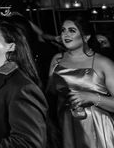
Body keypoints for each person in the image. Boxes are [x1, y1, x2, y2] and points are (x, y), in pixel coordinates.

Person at [48, 15, 114, 147]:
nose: (65, 34)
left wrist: (92, 97)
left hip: (99, 128)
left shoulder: (103, 63)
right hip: (67, 125)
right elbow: (49, 95)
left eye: (72, 30)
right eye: (63, 30)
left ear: (86, 37)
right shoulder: (57, 60)